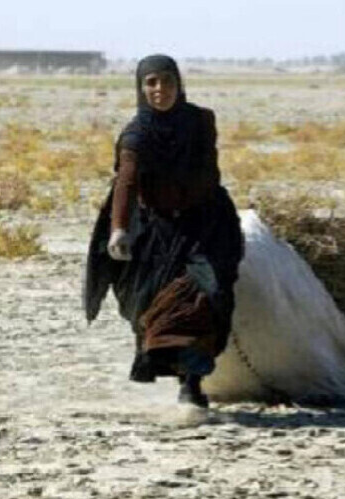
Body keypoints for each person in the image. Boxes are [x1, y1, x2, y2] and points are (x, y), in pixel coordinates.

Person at [84, 54, 244, 408]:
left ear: (179, 83)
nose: (160, 89)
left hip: (208, 224)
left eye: (167, 81)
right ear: (141, 88)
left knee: (206, 293)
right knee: (156, 302)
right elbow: (126, 182)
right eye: (151, 82)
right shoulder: (135, 136)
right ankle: (185, 377)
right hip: (160, 229)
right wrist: (119, 229)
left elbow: (206, 170)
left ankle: (192, 384)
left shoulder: (201, 121)